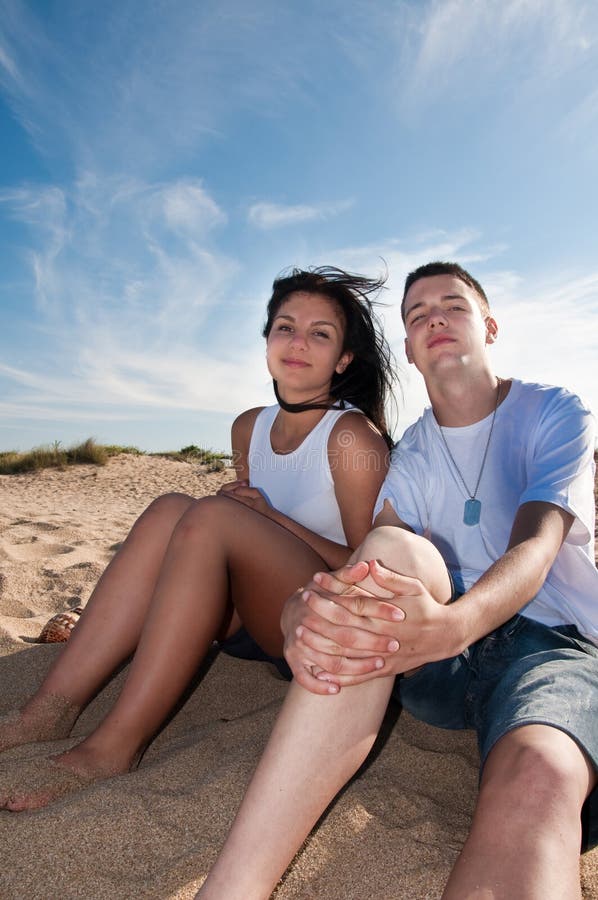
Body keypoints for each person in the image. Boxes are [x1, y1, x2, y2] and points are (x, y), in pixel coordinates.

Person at [200, 261, 598, 899]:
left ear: (488, 327)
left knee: (537, 777)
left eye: (454, 306)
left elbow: (539, 540)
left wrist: (455, 626)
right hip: (429, 647)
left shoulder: (553, 411)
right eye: (417, 315)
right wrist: (301, 610)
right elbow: (371, 555)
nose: (435, 317)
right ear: (410, 350)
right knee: (388, 548)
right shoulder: (410, 451)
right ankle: (232, 888)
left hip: (547, 645)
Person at [0, 265, 396, 811]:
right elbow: (241, 538)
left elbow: (370, 567)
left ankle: (114, 747)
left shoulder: (350, 437)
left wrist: (276, 519)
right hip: (250, 617)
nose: (298, 343)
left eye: (320, 333)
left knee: (210, 515)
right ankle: (48, 710)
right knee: (171, 509)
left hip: (319, 622)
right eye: (285, 327)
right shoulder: (247, 426)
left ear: (343, 358)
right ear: (265, 341)